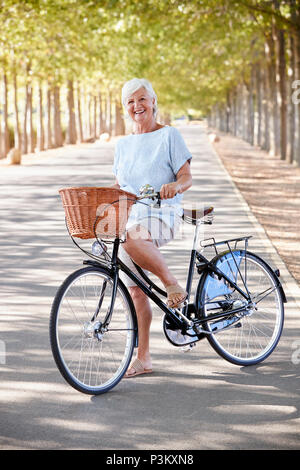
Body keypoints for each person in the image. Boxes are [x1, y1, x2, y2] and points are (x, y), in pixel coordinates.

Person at [112, 78, 192, 378]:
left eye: (142, 99)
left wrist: (175, 185)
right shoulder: (122, 145)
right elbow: (120, 186)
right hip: (132, 216)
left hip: (163, 213)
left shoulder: (169, 136)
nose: (137, 106)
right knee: (136, 292)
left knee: (132, 238)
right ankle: (143, 358)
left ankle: (172, 285)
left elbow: (187, 177)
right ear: (125, 107)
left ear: (153, 101)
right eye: (130, 101)